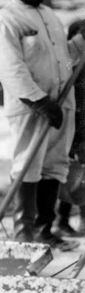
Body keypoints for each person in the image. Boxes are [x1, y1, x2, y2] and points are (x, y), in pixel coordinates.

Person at [0, 0, 81, 247]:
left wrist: (80, 43)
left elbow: (62, 57)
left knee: (55, 165)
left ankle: (44, 230)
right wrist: (39, 101)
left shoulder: (50, 16)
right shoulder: (6, 20)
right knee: (28, 165)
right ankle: (24, 233)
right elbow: (10, 67)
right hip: (31, 107)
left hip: (61, 104)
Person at [56, 19, 85, 236]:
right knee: (70, 173)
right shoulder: (70, 65)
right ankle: (62, 219)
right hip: (74, 122)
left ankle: (80, 219)